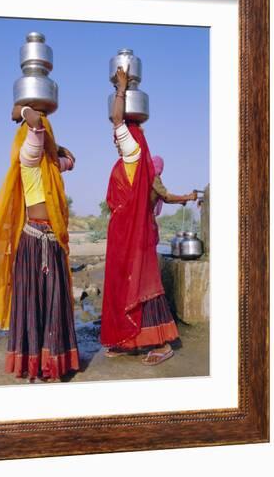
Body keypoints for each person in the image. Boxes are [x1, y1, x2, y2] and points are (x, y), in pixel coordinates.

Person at [0, 103, 80, 382]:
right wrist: (21, 111)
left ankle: (54, 363)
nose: (44, 129)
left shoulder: (49, 165)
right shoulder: (30, 156)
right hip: (33, 241)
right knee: (33, 304)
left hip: (53, 241)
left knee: (54, 304)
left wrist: (58, 148)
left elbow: (70, 160)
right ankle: (34, 365)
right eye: (44, 130)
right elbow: (34, 125)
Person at [100, 66, 197, 365]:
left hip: (135, 235)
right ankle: (129, 340)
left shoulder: (132, 150)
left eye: (120, 137)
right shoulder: (130, 156)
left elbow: (117, 119)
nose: (116, 140)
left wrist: (121, 87)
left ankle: (164, 341)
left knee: (144, 284)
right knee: (124, 283)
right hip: (125, 232)